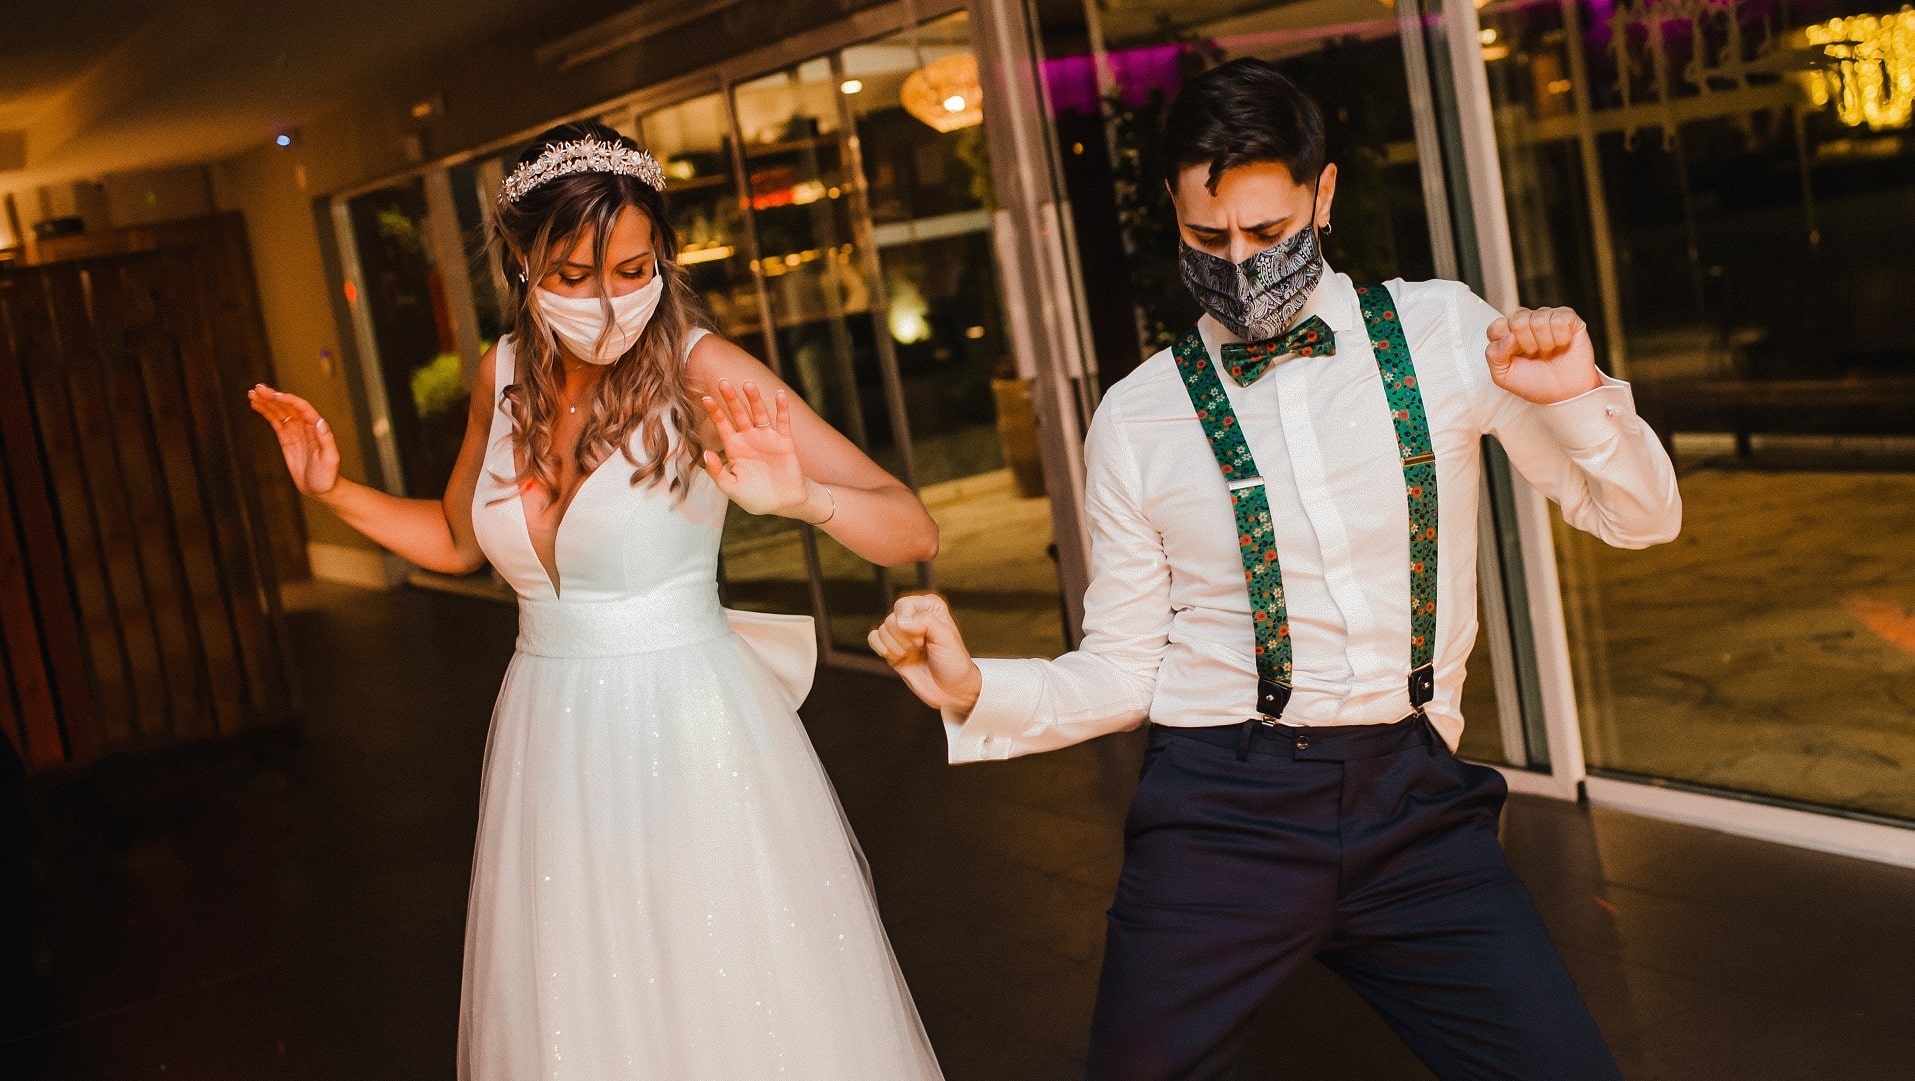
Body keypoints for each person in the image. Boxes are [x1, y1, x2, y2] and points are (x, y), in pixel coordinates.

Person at [869, 60, 1680, 1081]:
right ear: (1173, 207)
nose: (1241, 265)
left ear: (1324, 196)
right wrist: (971, 686)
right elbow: (1122, 671)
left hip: (1413, 801)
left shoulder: (1443, 332)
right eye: (1209, 239)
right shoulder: (1137, 416)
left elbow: (1641, 519)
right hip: (1220, 810)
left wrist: (1576, 400)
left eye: (1269, 234)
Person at [250, 120, 945, 1081]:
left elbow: (911, 526)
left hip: (691, 731)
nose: (610, 301)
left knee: (722, 993)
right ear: (519, 264)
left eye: (632, 267)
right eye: (572, 276)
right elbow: (458, 541)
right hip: (549, 732)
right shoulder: (500, 377)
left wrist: (803, 499)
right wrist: (330, 490)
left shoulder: (705, 370)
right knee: (584, 1004)